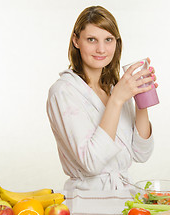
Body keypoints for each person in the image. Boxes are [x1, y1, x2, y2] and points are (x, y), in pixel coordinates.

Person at [46, 6, 158, 190]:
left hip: (123, 198)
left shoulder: (115, 88)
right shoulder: (63, 92)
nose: (101, 49)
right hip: (86, 199)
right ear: (76, 41)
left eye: (108, 40)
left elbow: (141, 153)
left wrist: (140, 97)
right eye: (91, 40)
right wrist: (116, 100)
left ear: (116, 42)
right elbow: (91, 163)